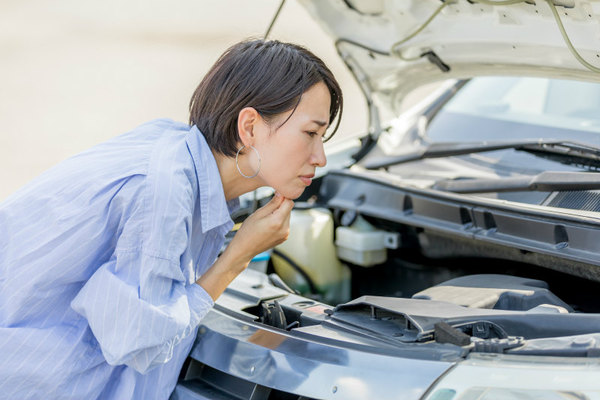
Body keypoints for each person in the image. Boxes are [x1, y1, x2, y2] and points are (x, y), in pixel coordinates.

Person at [0, 38, 343, 399]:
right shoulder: (162, 190)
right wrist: (237, 257)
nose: (321, 157)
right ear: (250, 127)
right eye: (310, 133)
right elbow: (137, 343)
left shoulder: (175, 148)